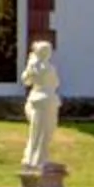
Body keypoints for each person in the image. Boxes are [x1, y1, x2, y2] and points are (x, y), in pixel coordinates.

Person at [20, 40, 61, 172]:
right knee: (41, 132)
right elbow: (56, 83)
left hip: (41, 99)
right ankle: (35, 159)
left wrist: (30, 66)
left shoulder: (38, 67)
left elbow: (25, 80)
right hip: (43, 100)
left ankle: (35, 158)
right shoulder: (45, 68)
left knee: (40, 132)